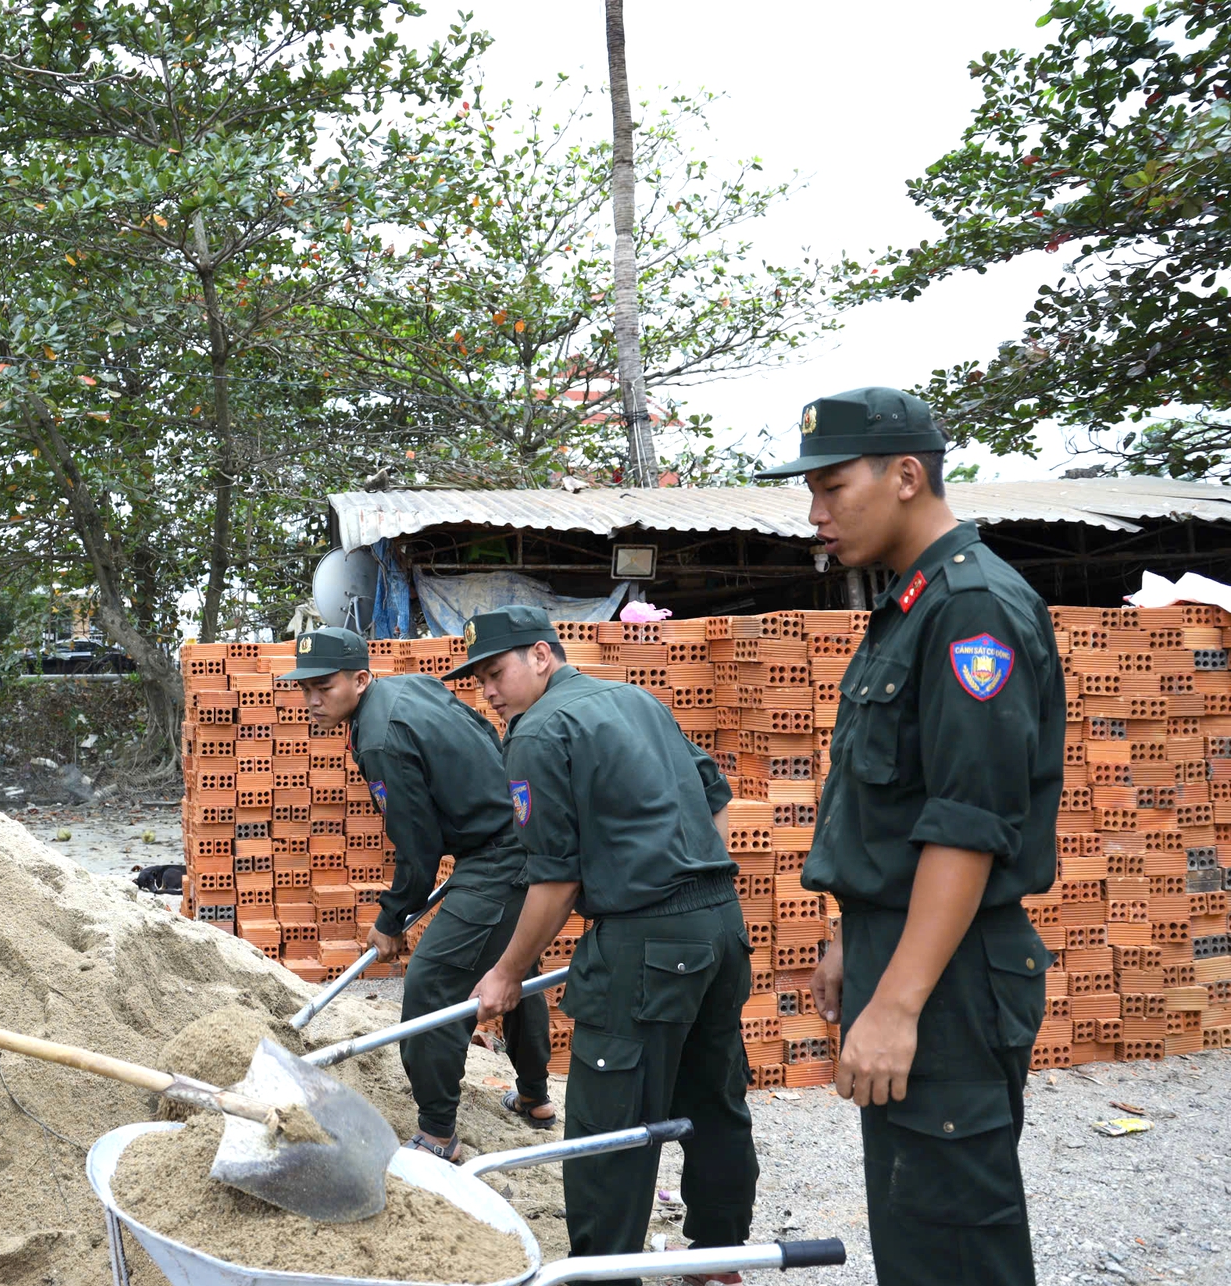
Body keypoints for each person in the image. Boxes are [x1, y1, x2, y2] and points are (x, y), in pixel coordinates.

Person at [753, 387, 1062, 1286]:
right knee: (917, 1217)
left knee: (955, 1232)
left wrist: (898, 1003)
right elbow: (891, 804)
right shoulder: (915, 606)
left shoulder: (972, 608)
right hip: (909, 950)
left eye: (831, 488)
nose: (816, 516)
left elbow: (967, 827)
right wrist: (858, 937)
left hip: (952, 971)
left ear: (906, 475)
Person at [466, 605, 756, 1286]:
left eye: (497, 671)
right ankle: (720, 1260)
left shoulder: (538, 731)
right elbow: (715, 794)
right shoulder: (634, 699)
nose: (489, 691)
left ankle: (601, 1274)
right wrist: (675, 859)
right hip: (720, 922)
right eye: (479, 679)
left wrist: (507, 973)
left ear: (542, 656)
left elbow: (556, 878)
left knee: (612, 1119)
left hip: (646, 939)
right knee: (712, 1097)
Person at [284, 626, 552, 1161]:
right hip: (514, 836)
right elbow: (480, 732)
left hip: (501, 855)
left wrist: (390, 920)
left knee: (431, 985)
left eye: (325, 687)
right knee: (512, 963)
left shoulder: (380, 737)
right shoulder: (408, 688)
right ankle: (534, 1098)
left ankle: (436, 1134)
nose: (312, 701)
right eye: (305, 688)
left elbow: (417, 849)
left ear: (360, 679)